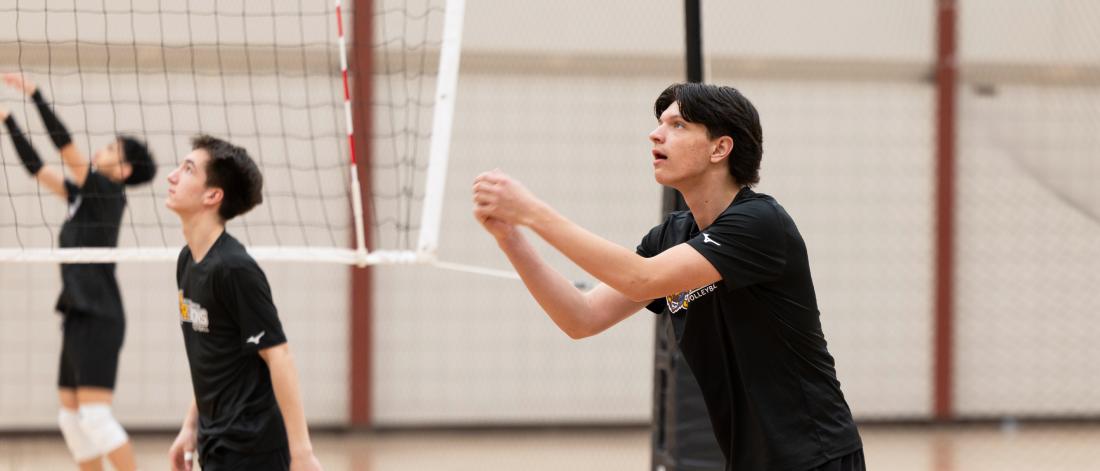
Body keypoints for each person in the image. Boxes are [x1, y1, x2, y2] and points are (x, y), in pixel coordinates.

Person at [472, 82, 864, 470]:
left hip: (816, 456)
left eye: (677, 125)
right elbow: (582, 317)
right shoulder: (673, 235)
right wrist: (510, 237)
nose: (655, 134)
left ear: (719, 148)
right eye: (660, 123)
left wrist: (533, 212)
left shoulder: (760, 223)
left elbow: (640, 279)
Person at [1, 74, 156, 471]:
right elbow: (38, 169)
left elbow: (64, 145)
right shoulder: (83, 197)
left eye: (111, 149)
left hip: (99, 314)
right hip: (78, 312)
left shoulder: (108, 193)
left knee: (95, 418)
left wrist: (35, 95)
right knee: (71, 420)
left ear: (124, 170)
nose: (101, 151)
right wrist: (8, 120)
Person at [165, 135, 322, 471]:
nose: (172, 176)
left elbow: (279, 355)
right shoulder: (187, 261)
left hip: (253, 446)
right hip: (215, 440)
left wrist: (302, 453)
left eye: (188, 169)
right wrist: (190, 425)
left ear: (212, 195)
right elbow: (213, 357)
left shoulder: (234, 268)